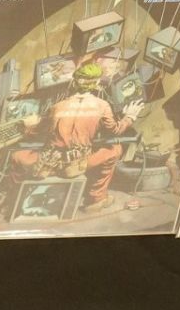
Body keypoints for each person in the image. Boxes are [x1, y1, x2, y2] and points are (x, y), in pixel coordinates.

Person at [9, 63, 144, 214]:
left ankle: (13, 201)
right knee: (115, 149)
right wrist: (129, 117)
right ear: (97, 84)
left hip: (50, 164)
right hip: (80, 163)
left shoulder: (57, 106)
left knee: (16, 156)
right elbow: (115, 130)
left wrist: (26, 126)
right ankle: (96, 199)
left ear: (74, 83)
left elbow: (38, 131)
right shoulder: (102, 105)